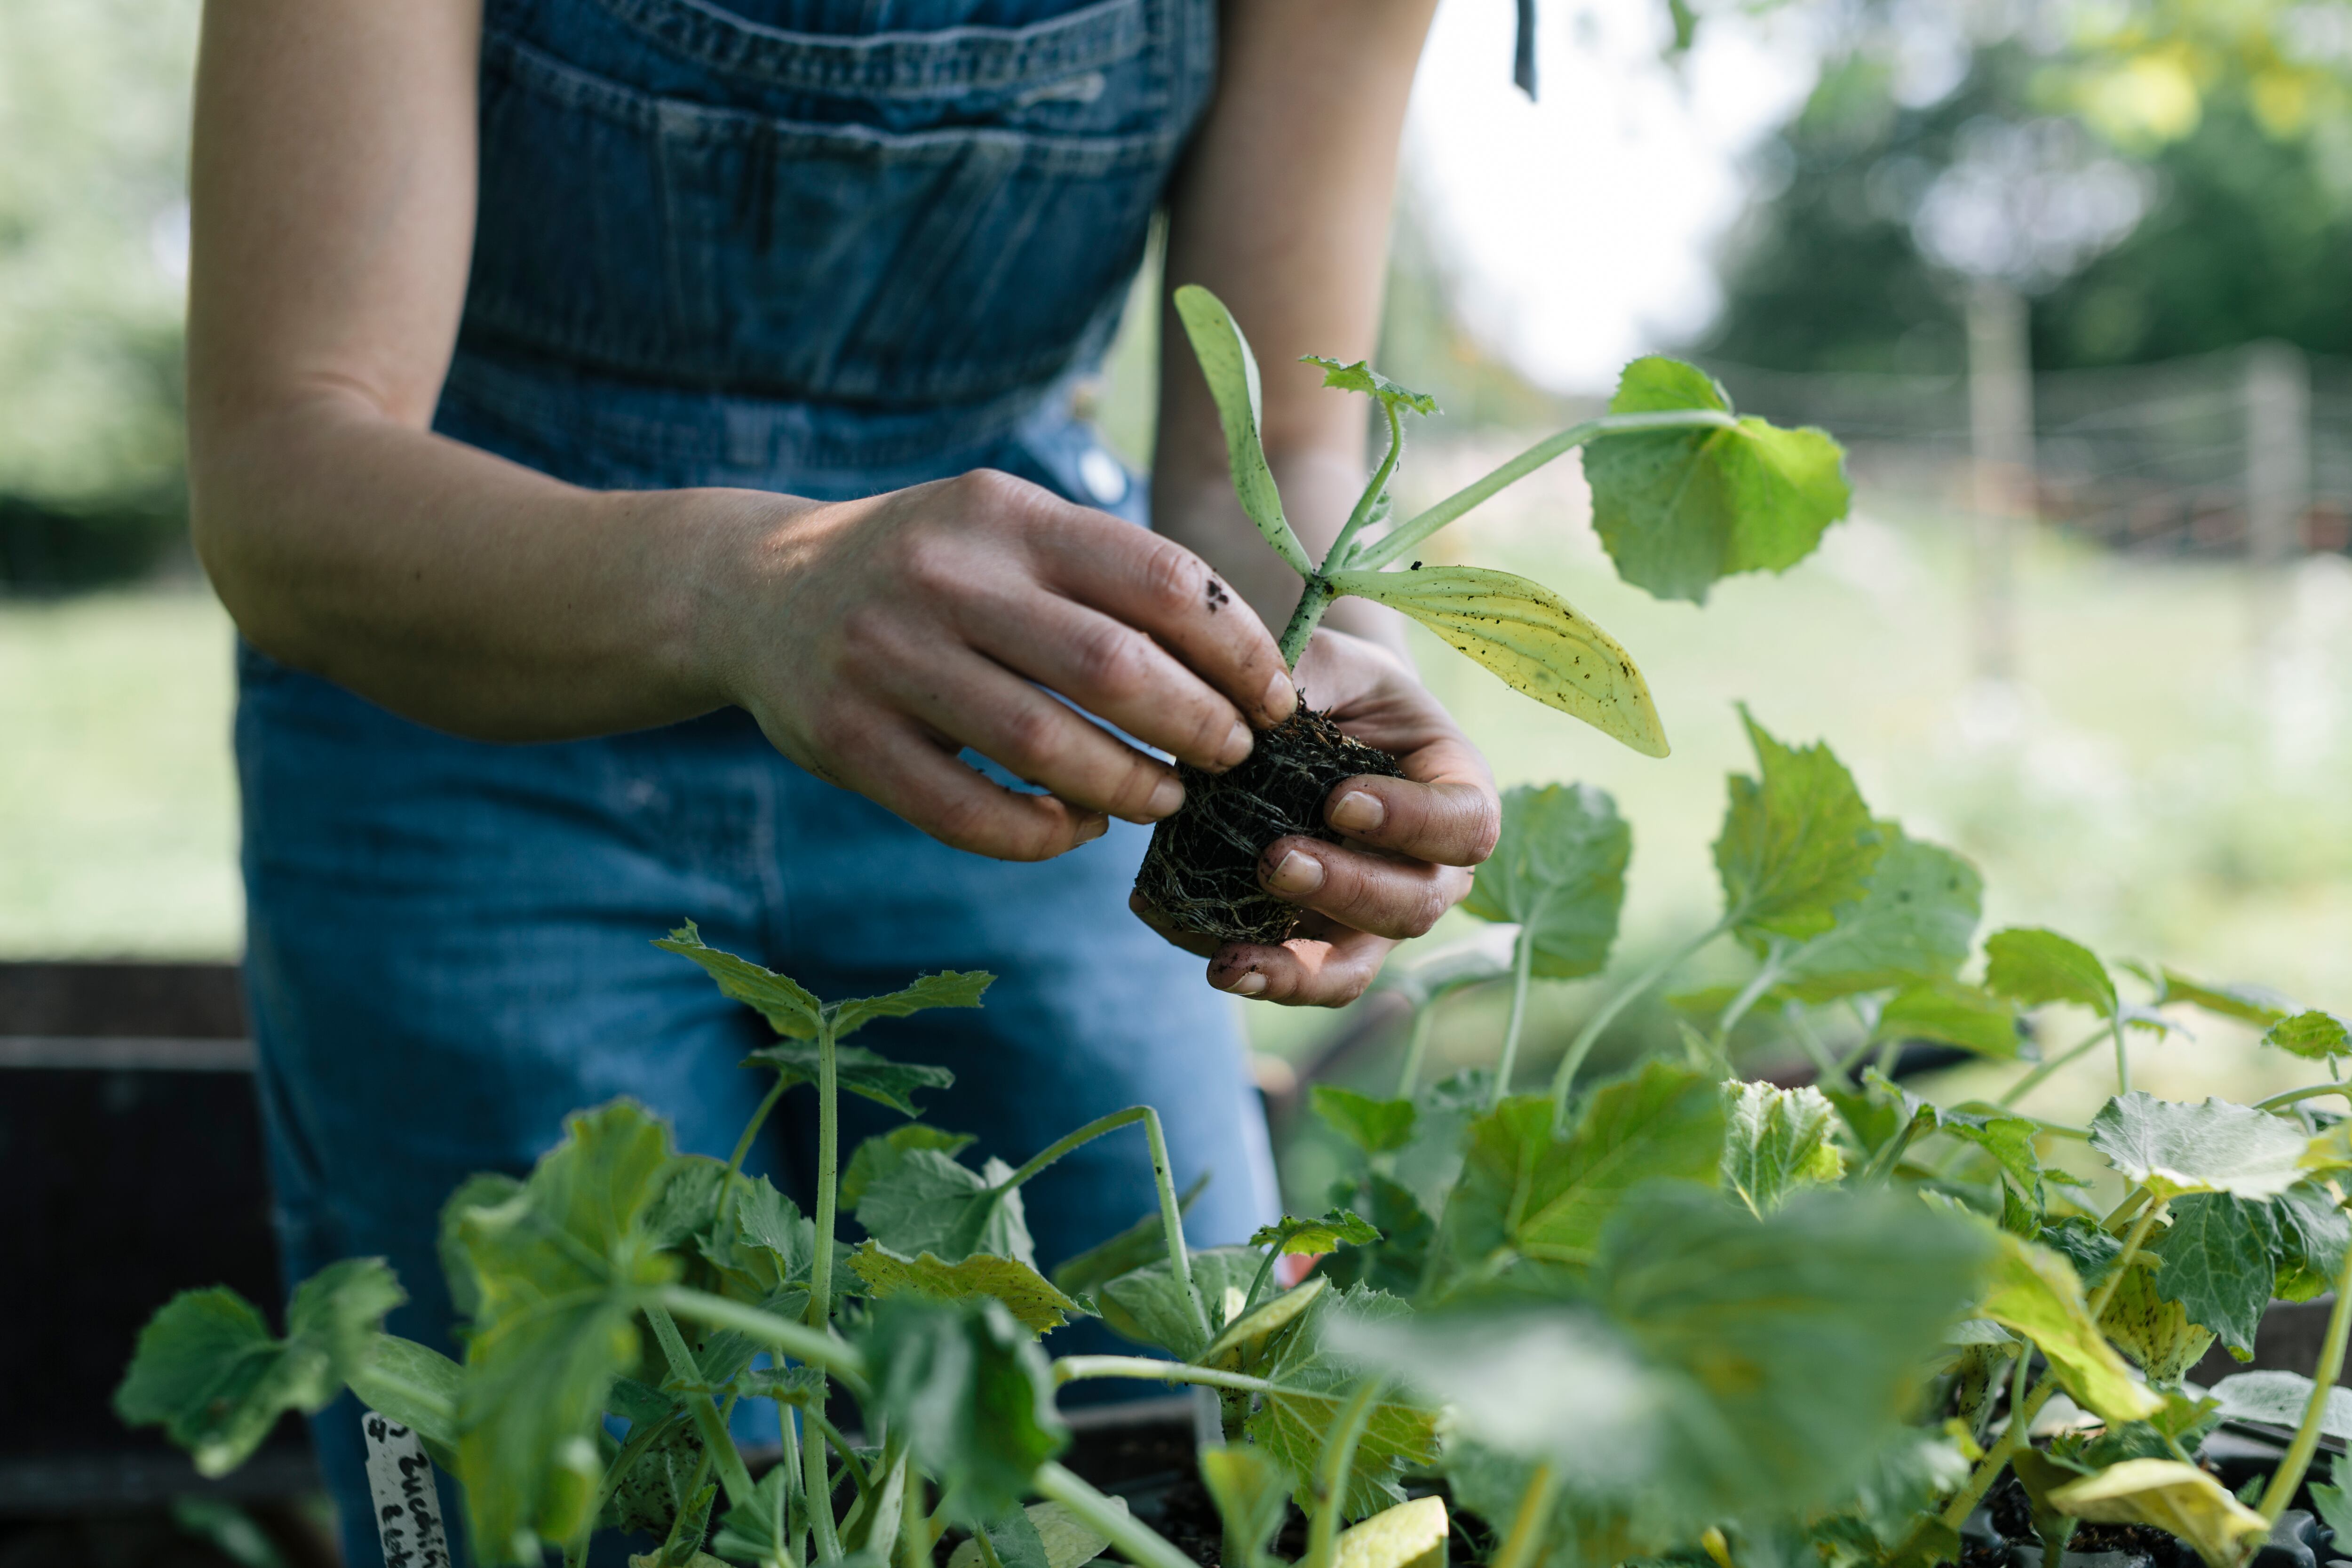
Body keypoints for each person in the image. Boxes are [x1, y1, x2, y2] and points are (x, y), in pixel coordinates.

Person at [188, 0, 1497, 1557]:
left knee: (1192, 1431)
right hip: (466, 679)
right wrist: (752, 589)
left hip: (1016, 706)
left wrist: (1326, 678)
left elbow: (1261, 460)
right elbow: (284, 472)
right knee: (567, 1496)